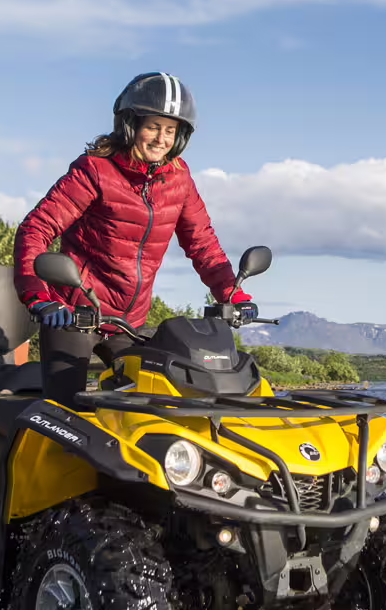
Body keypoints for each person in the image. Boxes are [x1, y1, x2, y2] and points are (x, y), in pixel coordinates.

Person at [13, 72, 256, 406]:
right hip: (73, 315)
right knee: (66, 414)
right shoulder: (95, 171)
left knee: (160, 407)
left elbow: (203, 244)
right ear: (130, 125)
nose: (161, 139)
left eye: (170, 130)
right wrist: (38, 296)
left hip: (128, 324)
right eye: (153, 127)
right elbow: (36, 229)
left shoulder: (179, 179)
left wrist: (233, 294)